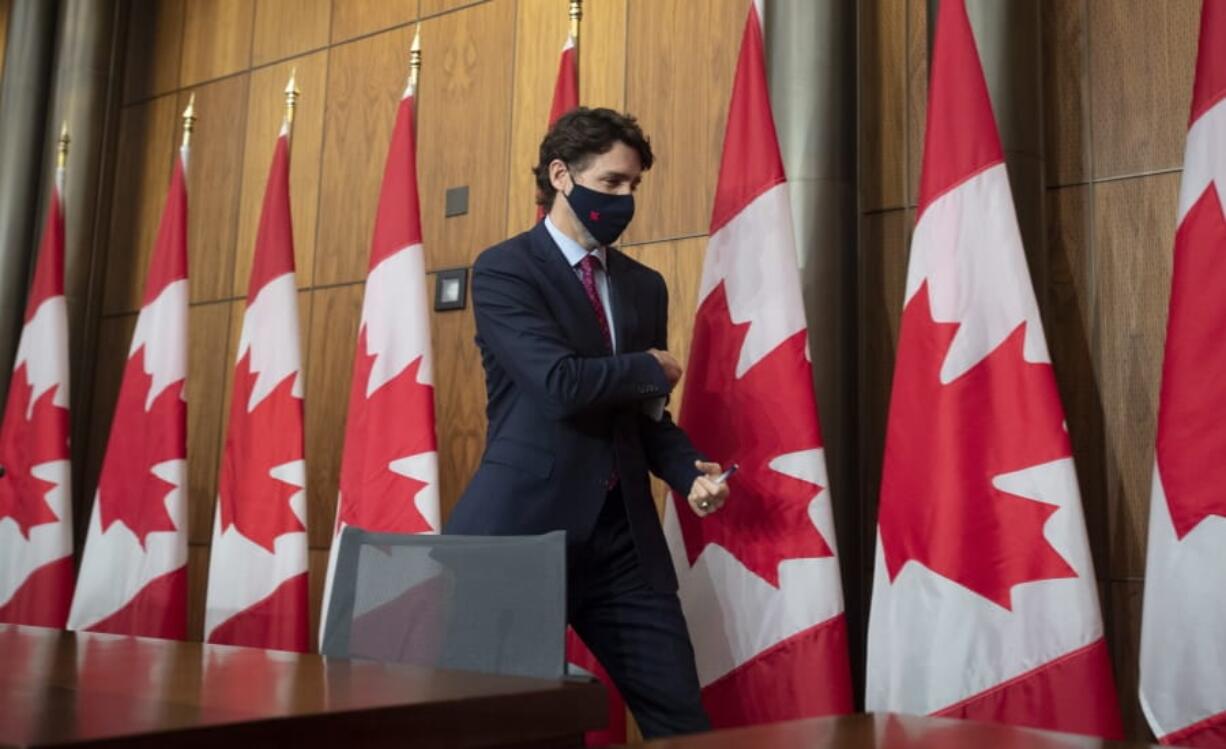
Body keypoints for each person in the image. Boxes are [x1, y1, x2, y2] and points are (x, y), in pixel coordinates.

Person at [444, 107, 729, 737]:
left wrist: (688, 473)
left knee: (683, 720)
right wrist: (650, 365)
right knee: (527, 727)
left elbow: (644, 415)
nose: (625, 200)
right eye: (611, 184)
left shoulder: (644, 285)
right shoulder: (504, 268)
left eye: (633, 187)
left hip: (622, 540)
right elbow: (558, 385)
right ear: (561, 175)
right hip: (520, 537)